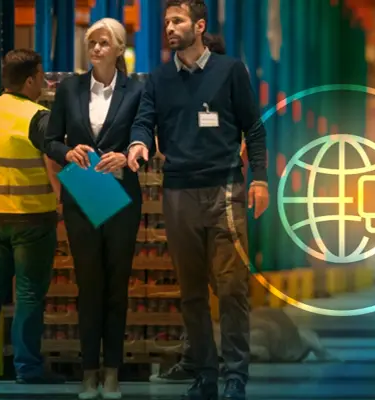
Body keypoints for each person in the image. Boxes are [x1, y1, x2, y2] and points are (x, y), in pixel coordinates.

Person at [127, 1, 270, 399]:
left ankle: (236, 375)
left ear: (199, 26)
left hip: (225, 188)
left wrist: (259, 180)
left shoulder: (230, 72)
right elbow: (145, 118)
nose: (170, 27)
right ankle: (206, 374)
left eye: (178, 21)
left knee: (231, 288)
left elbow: (254, 129)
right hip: (177, 191)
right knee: (191, 290)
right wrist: (139, 142)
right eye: (167, 21)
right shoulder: (158, 78)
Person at [43, 17, 144, 400]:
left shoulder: (136, 92)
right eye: (92, 43)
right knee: (89, 285)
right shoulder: (69, 89)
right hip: (83, 194)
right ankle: (88, 374)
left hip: (121, 196)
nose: (97, 49)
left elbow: (145, 133)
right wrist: (66, 151)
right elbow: (51, 140)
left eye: (104, 43)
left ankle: (113, 373)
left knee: (117, 285)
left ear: (119, 48)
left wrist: (127, 153)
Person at [0, 49, 65, 385]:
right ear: (32, 78)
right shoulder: (38, 117)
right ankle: (28, 368)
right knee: (29, 294)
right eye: (41, 76)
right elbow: (57, 160)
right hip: (32, 219)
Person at [150, 31, 228, 385]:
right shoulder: (175, 90)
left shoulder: (225, 98)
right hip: (187, 199)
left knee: (220, 287)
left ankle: (213, 361)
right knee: (194, 289)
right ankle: (199, 359)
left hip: (222, 200)